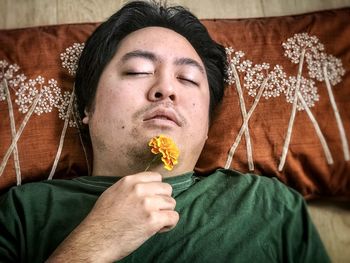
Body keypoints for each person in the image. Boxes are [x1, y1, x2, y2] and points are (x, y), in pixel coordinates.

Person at [0, 1, 330, 262]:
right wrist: (94, 243)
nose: (166, 89)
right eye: (137, 70)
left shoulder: (272, 206)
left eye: (187, 79)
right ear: (88, 108)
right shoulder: (21, 212)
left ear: (206, 128)